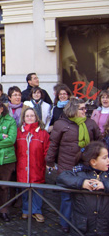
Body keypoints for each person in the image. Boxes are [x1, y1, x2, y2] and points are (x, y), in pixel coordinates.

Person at [45, 97, 101, 233]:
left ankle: (82, 224)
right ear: (74, 109)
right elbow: (53, 145)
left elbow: (99, 143)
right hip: (66, 167)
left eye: (85, 108)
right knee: (66, 197)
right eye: (82, 108)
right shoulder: (61, 124)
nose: (85, 111)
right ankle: (65, 223)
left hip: (85, 167)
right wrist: (49, 161)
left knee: (84, 198)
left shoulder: (90, 123)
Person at [56, 141, 109, 235]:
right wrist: (81, 183)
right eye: (105, 158)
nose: (108, 160)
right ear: (93, 162)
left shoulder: (106, 176)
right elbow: (61, 178)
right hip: (81, 228)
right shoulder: (80, 174)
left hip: (103, 227)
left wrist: (105, 185)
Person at [16, 108, 50, 223]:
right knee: (24, 189)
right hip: (22, 165)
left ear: (36, 117)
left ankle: (36, 210)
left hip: (37, 165)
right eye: (27, 116)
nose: (29, 118)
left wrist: (47, 162)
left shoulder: (42, 133)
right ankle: (26, 209)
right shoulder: (19, 132)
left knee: (37, 189)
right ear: (23, 118)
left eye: (32, 116)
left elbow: (47, 149)